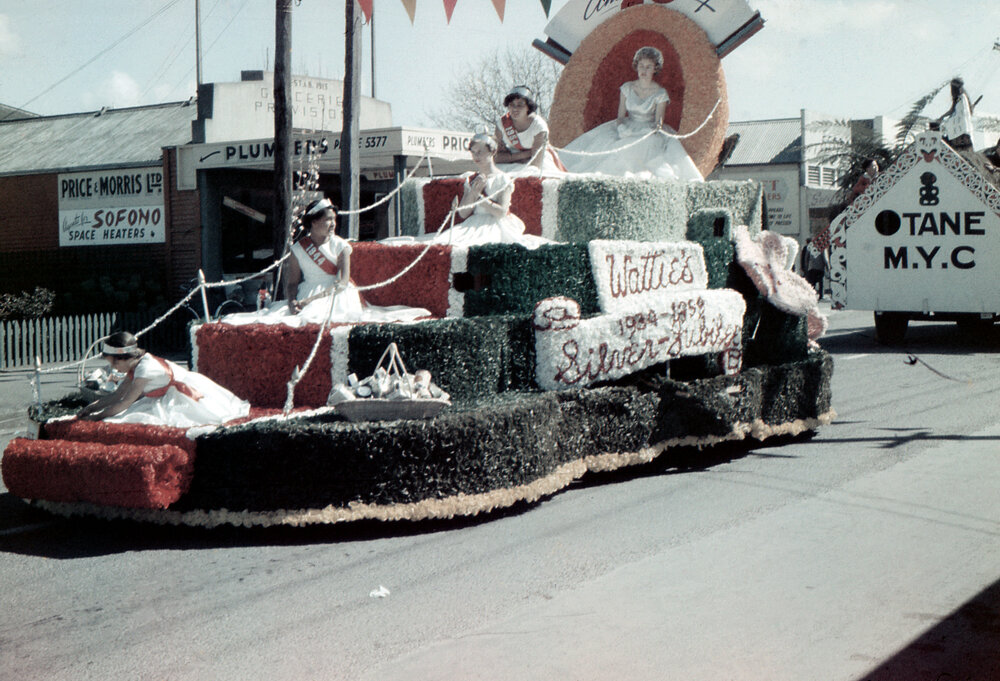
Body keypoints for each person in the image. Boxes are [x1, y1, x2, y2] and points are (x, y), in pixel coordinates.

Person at [221, 198, 430, 326]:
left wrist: (309, 302)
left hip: (337, 296)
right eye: (328, 219)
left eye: (334, 219)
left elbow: (341, 282)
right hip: (306, 292)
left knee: (316, 317)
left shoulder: (341, 246)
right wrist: (293, 301)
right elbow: (292, 282)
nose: (333, 224)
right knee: (285, 318)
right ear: (314, 222)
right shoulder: (298, 249)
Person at [382, 133, 554, 249]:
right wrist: (472, 193)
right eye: (473, 153)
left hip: (495, 225)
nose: (476, 157)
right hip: (473, 223)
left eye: (480, 152)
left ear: (492, 151)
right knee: (443, 242)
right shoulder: (471, 179)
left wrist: (480, 197)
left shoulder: (503, 179)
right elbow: (463, 213)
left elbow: (501, 212)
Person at [559, 46, 703, 181]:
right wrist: (622, 128)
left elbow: (658, 123)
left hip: (649, 130)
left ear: (655, 69)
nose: (644, 70)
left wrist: (647, 132)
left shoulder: (660, 94)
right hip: (627, 125)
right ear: (636, 66)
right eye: (641, 66)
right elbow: (620, 116)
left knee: (647, 146)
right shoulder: (627, 88)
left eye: (648, 67)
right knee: (613, 146)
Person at [77, 331, 251, 427]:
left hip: (185, 395)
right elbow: (117, 395)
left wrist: (95, 418)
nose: (114, 369)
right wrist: (91, 408)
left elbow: (125, 402)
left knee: (139, 419)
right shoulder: (135, 365)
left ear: (122, 358)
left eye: (113, 365)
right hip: (166, 393)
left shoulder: (144, 369)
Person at [493, 85, 566, 177]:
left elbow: (536, 162)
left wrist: (509, 157)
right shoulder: (502, 124)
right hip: (512, 163)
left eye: (520, 105)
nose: (515, 109)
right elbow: (495, 157)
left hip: (541, 163)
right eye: (512, 104)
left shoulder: (539, 126)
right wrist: (524, 155)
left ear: (529, 106)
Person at [938, 77, 975, 149]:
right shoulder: (957, 98)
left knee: (949, 126)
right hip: (959, 121)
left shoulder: (962, 98)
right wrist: (942, 117)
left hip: (962, 124)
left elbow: (962, 112)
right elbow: (952, 110)